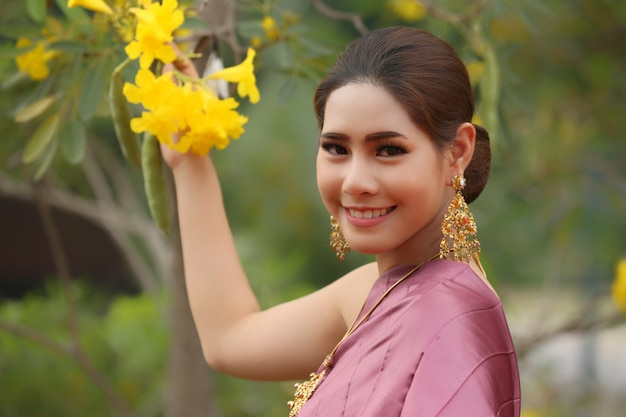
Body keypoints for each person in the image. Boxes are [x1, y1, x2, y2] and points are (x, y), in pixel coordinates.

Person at [163, 26, 521, 417]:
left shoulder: (450, 318)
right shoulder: (382, 289)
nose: (355, 182)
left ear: (457, 151)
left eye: (387, 150)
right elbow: (230, 339)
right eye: (336, 148)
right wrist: (188, 159)